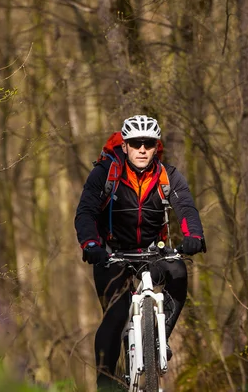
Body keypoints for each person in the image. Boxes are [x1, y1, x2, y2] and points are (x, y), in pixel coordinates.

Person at [74, 115, 206, 390]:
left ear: (157, 146)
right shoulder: (105, 174)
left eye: (149, 143)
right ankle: (106, 385)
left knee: (178, 272)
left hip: (151, 254)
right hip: (111, 255)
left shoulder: (168, 176)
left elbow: (186, 209)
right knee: (116, 316)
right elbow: (85, 211)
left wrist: (194, 236)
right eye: (136, 143)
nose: (142, 149)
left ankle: (159, 338)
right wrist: (91, 245)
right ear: (125, 146)